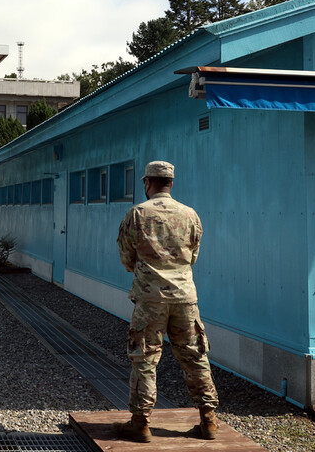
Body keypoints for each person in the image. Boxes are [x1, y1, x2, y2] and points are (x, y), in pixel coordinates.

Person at [113, 161, 219, 443]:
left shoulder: (137, 214)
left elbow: (126, 256)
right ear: (171, 183)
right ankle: (208, 420)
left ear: (147, 183)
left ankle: (141, 423)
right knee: (195, 357)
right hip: (185, 298)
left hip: (150, 299)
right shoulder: (190, 215)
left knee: (145, 359)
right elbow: (193, 255)